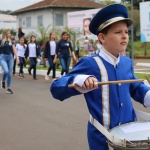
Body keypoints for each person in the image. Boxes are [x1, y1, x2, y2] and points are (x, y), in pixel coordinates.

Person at [50, 4, 150, 150]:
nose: (124, 36)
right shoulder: (90, 64)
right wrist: (80, 80)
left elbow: (136, 88)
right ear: (102, 37)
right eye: (118, 32)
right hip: (102, 139)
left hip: (130, 138)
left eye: (126, 32)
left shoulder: (127, 63)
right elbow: (56, 88)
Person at [0, 29, 19, 94]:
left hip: (10, 57)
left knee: (10, 74)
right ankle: (3, 80)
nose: (10, 34)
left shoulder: (11, 41)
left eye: (10, 33)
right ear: (5, 34)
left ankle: (8, 88)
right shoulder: (1, 41)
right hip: (2, 57)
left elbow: (14, 49)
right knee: (6, 71)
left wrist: (17, 57)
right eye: (9, 33)